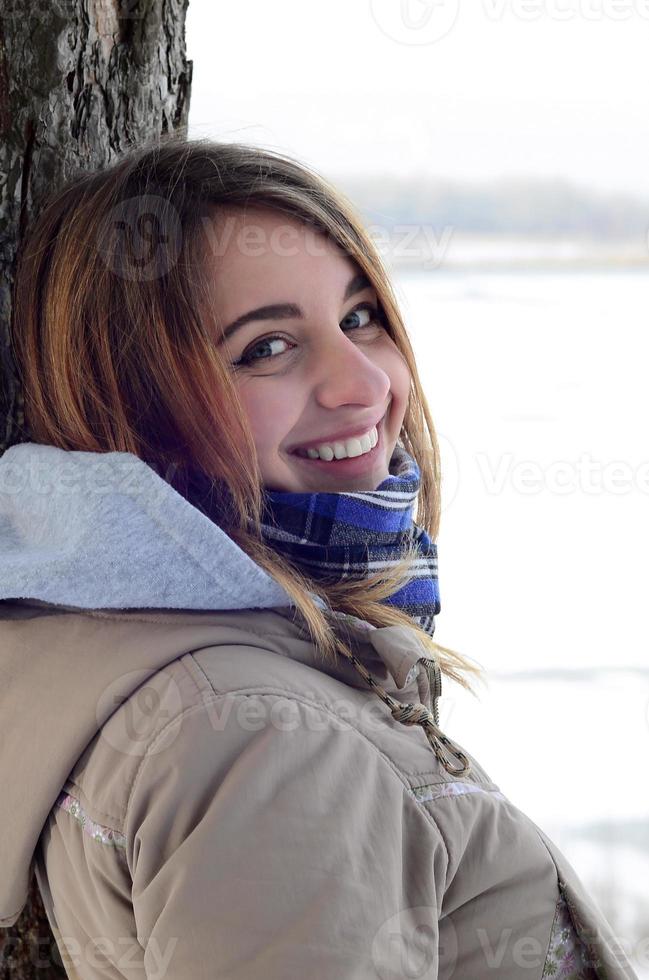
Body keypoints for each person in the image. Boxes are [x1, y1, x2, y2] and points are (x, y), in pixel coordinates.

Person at [0, 135, 637, 979]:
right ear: (135, 405)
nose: (363, 386)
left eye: (358, 317)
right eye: (266, 348)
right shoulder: (265, 737)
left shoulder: (102, 645)